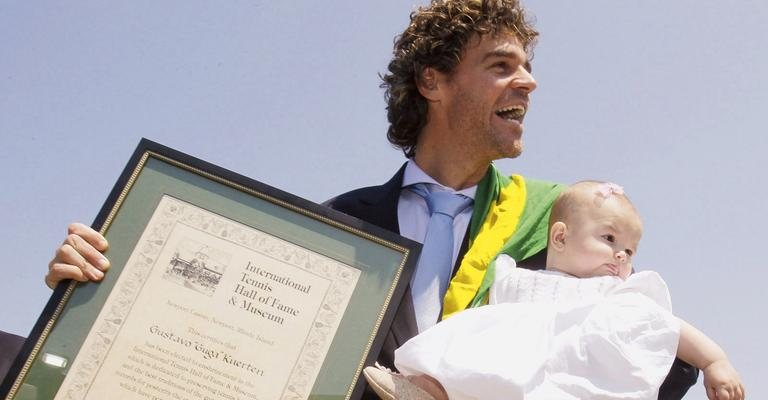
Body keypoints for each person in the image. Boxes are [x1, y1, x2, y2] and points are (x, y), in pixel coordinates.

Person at [33, 1, 698, 399]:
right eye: (501, 64)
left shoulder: (560, 221)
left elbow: (648, 362)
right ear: (433, 82)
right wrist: (98, 285)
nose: (528, 80)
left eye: (526, 65)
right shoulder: (335, 228)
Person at [362, 181, 745, 400]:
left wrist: (715, 361)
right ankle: (425, 389)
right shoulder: (519, 277)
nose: (621, 255)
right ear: (559, 236)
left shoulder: (615, 295)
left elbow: (671, 327)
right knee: (462, 354)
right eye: (608, 238)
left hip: (566, 383)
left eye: (629, 249)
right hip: (506, 367)